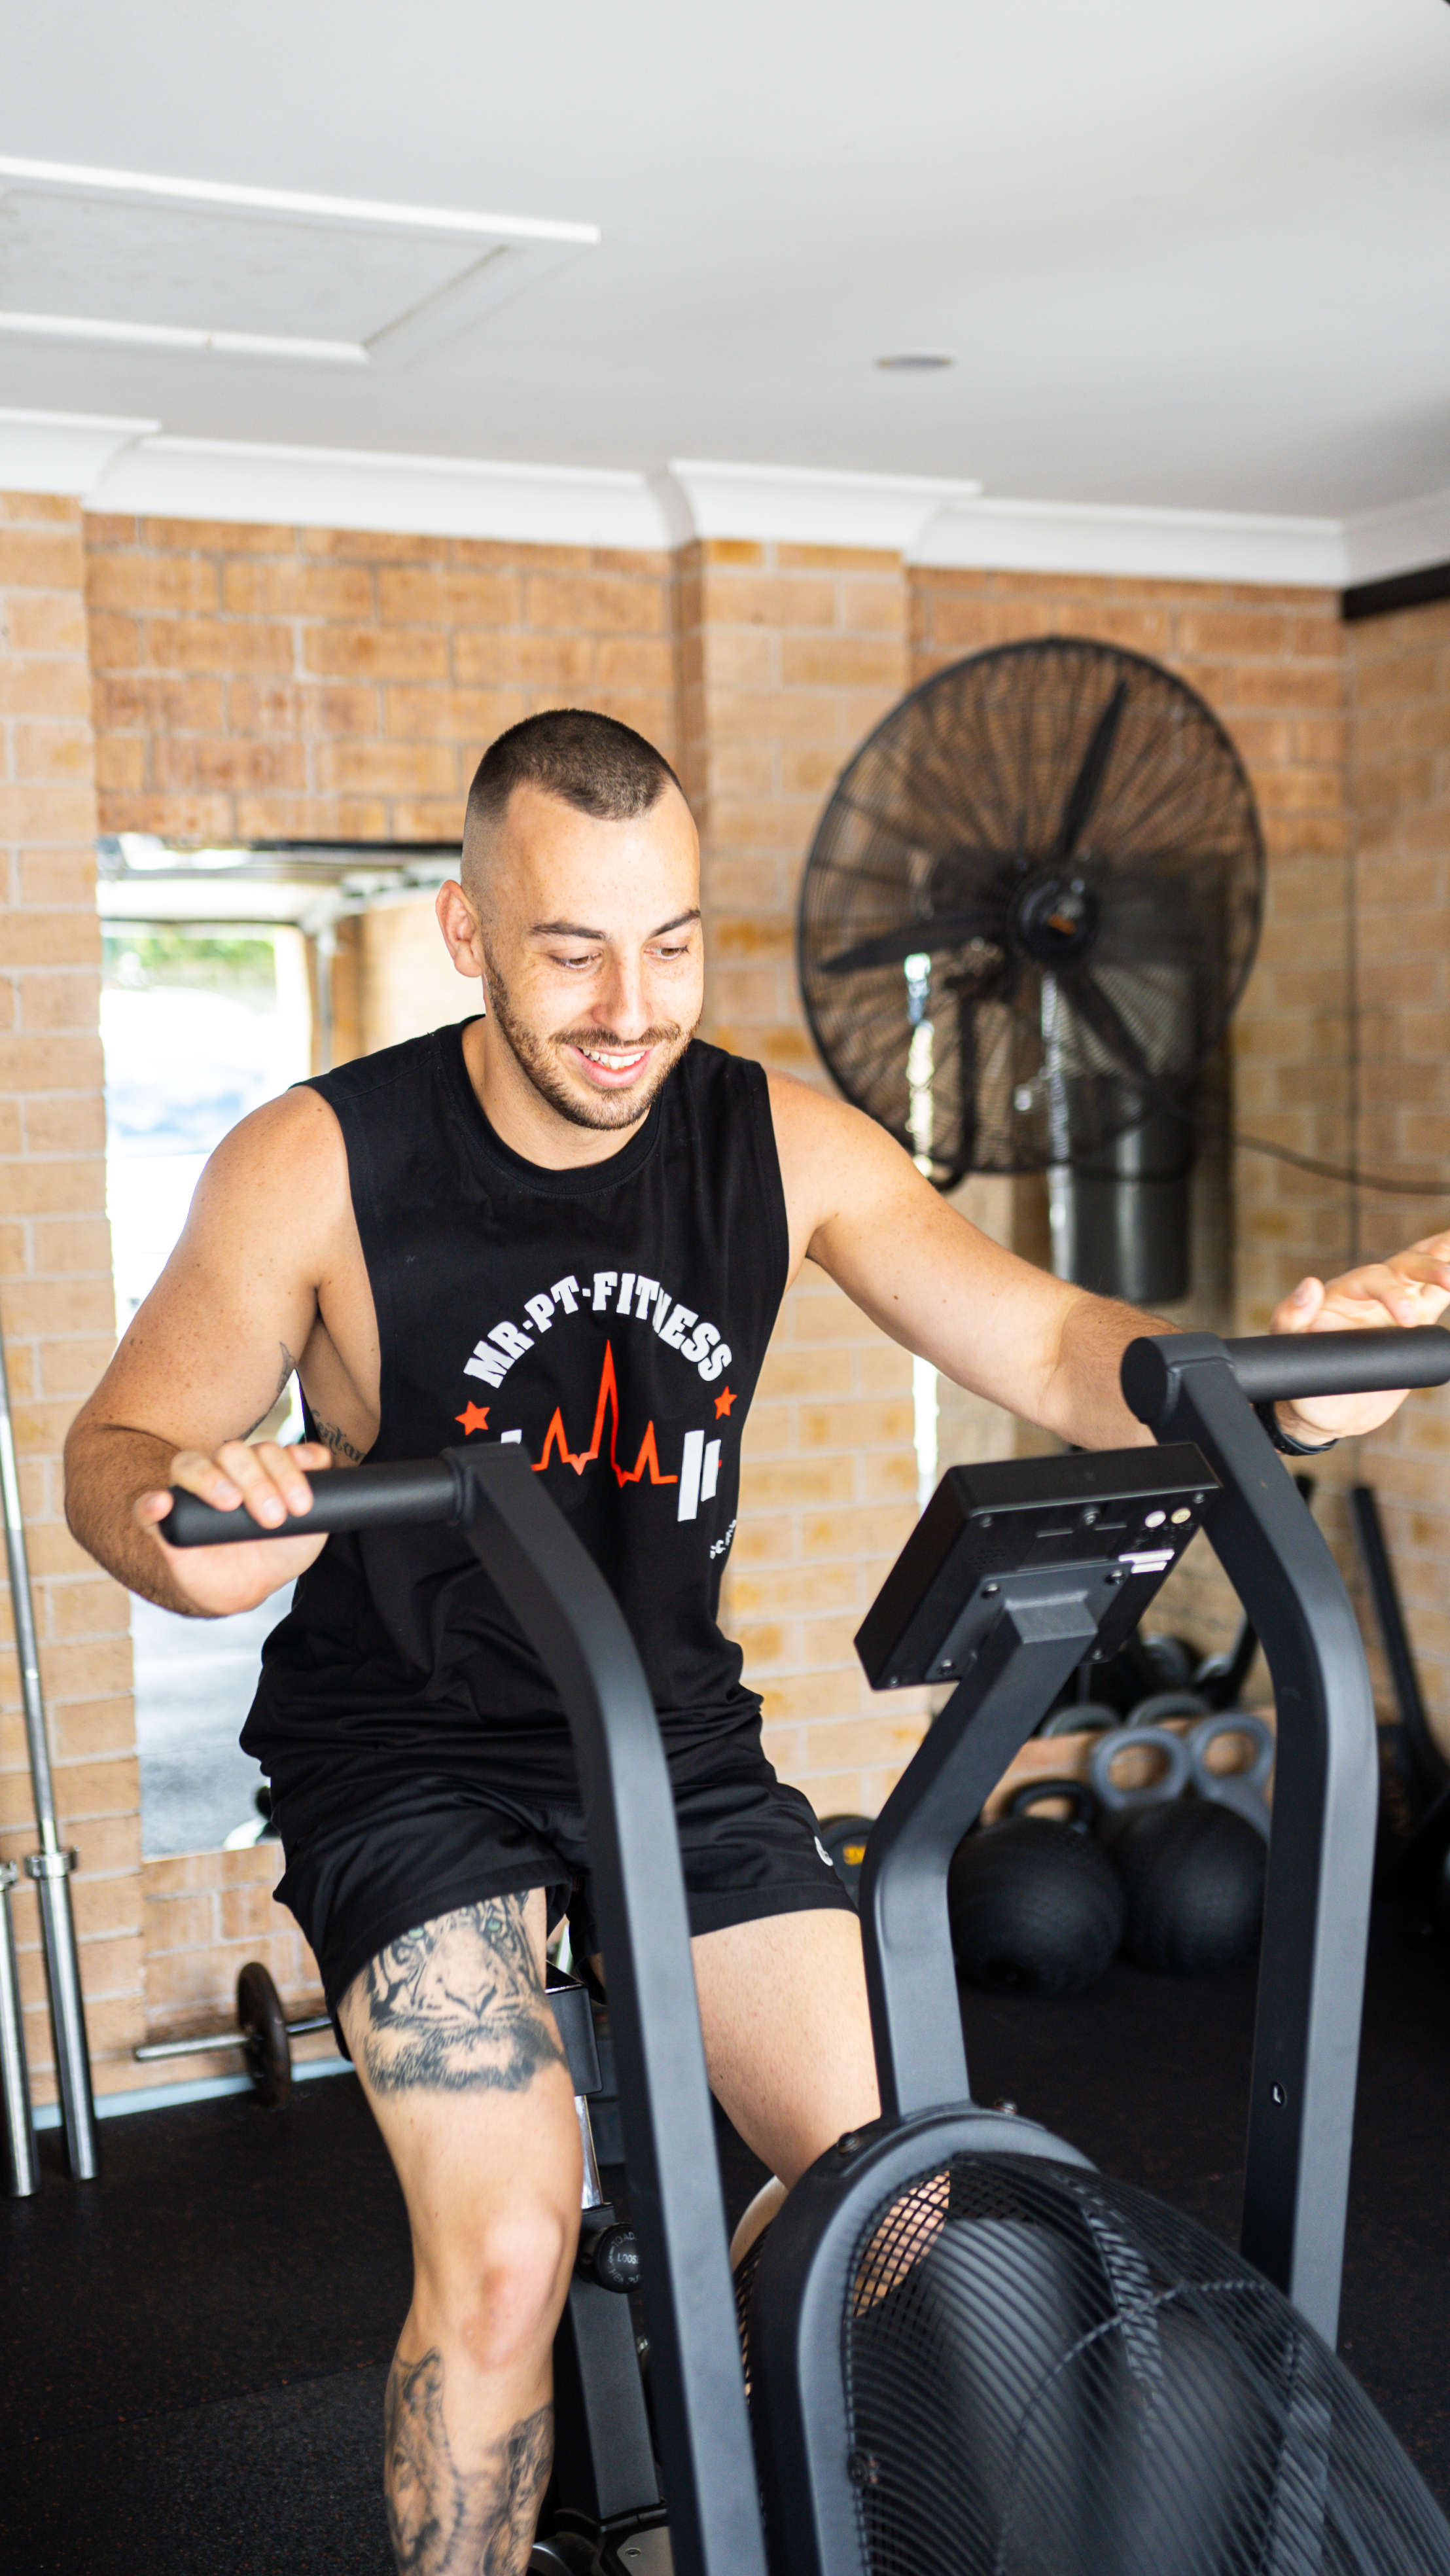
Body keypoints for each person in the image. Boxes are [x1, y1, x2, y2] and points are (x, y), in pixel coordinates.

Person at [65, 709, 1450, 2575]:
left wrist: (1269, 1400)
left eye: (672, 942)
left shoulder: (778, 1139)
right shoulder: (312, 1166)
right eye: (570, 951)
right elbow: (115, 1454)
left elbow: (1044, 1345)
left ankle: (732, 2484)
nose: (631, 1006)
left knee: (904, 2201)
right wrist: (186, 1530)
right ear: (469, 935)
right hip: (407, 1757)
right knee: (503, 2257)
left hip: (677, 1741)